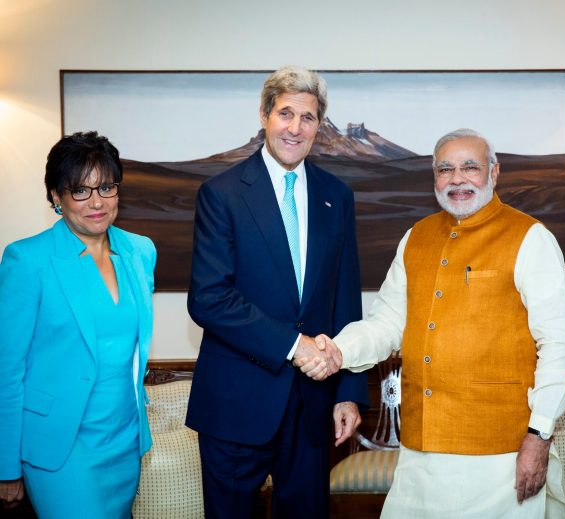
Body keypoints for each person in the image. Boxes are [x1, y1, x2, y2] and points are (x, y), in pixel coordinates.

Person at [300, 128, 565, 518]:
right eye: (445, 169)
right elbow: (386, 323)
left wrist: (539, 437)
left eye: (470, 167)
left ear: (494, 172)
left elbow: (558, 347)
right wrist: (336, 350)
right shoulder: (416, 236)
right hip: (420, 450)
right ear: (433, 177)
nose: (457, 179)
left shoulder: (531, 238)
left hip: (500, 452)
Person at [185, 66, 368, 518]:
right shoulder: (221, 193)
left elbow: (345, 299)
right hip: (235, 404)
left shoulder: (336, 196)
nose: (295, 127)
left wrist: (348, 391)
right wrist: (294, 345)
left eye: (308, 118)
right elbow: (208, 297)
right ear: (265, 115)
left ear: (318, 127)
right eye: (286, 113)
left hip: (312, 406)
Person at [0, 131, 156, 517]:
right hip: (61, 449)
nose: (97, 202)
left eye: (106, 187)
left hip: (124, 440)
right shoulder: (27, 260)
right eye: (80, 190)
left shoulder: (140, 251)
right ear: (56, 196)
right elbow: (7, 371)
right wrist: (5, 465)